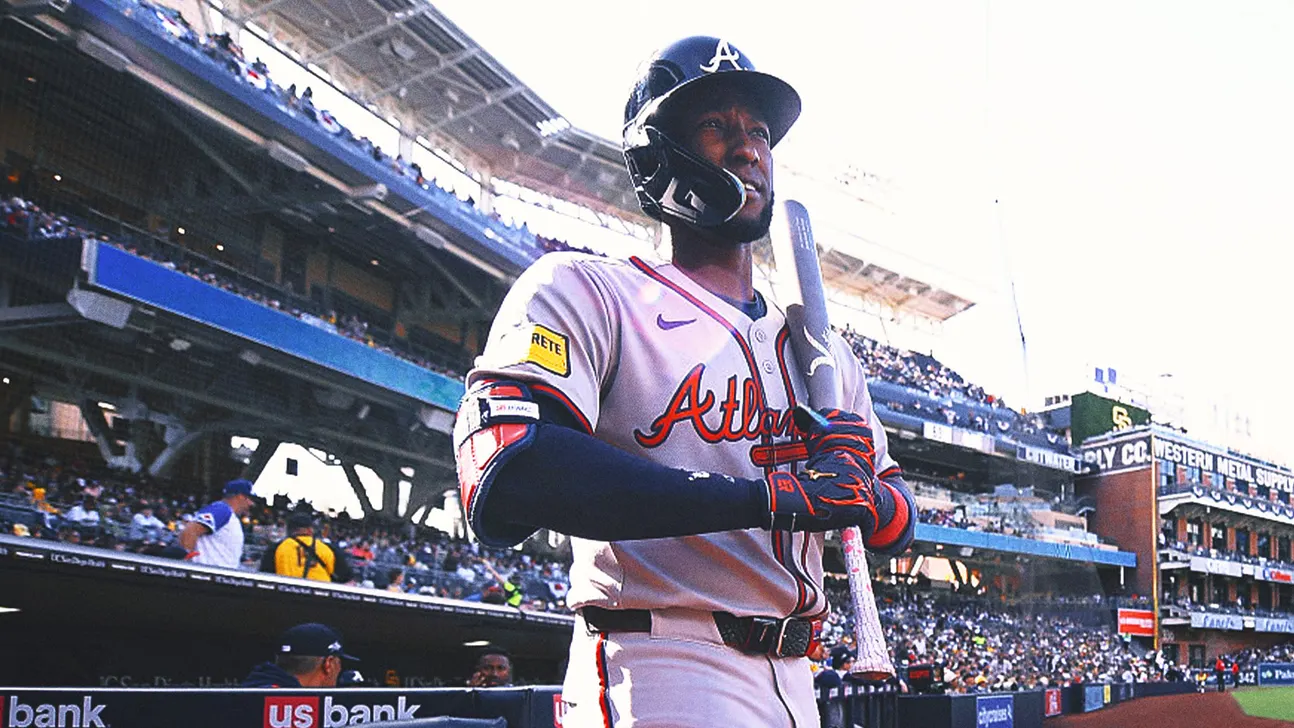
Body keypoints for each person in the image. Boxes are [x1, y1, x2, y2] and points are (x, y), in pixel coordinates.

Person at [453, 36, 915, 727]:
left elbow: (899, 514)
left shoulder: (824, 353)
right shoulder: (589, 291)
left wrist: (866, 497)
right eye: (716, 126)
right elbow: (510, 466)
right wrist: (774, 498)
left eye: (760, 132)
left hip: (797, 676)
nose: (749, 148)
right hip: (658, 657)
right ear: (658, 153)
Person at [242, 623, 359, 688]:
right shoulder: (290, 706)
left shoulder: (249, 689)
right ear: (329, 664)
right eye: (339, 663)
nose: (340, 670)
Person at [178, 479, 258, 568]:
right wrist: (186, 565)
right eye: (250, 499)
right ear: (240, 496)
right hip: (206, 573)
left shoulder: (228, 514)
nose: (252, 504)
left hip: (217, 572)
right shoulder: (222, 509)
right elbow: (190, 531)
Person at [259, 512, 354, 583]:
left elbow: (265, 578)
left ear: (289, 530)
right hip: (320, 598)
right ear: (310, 530)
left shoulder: (275, 549)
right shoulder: (328, 548)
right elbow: (346, 579)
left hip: (286, 597)